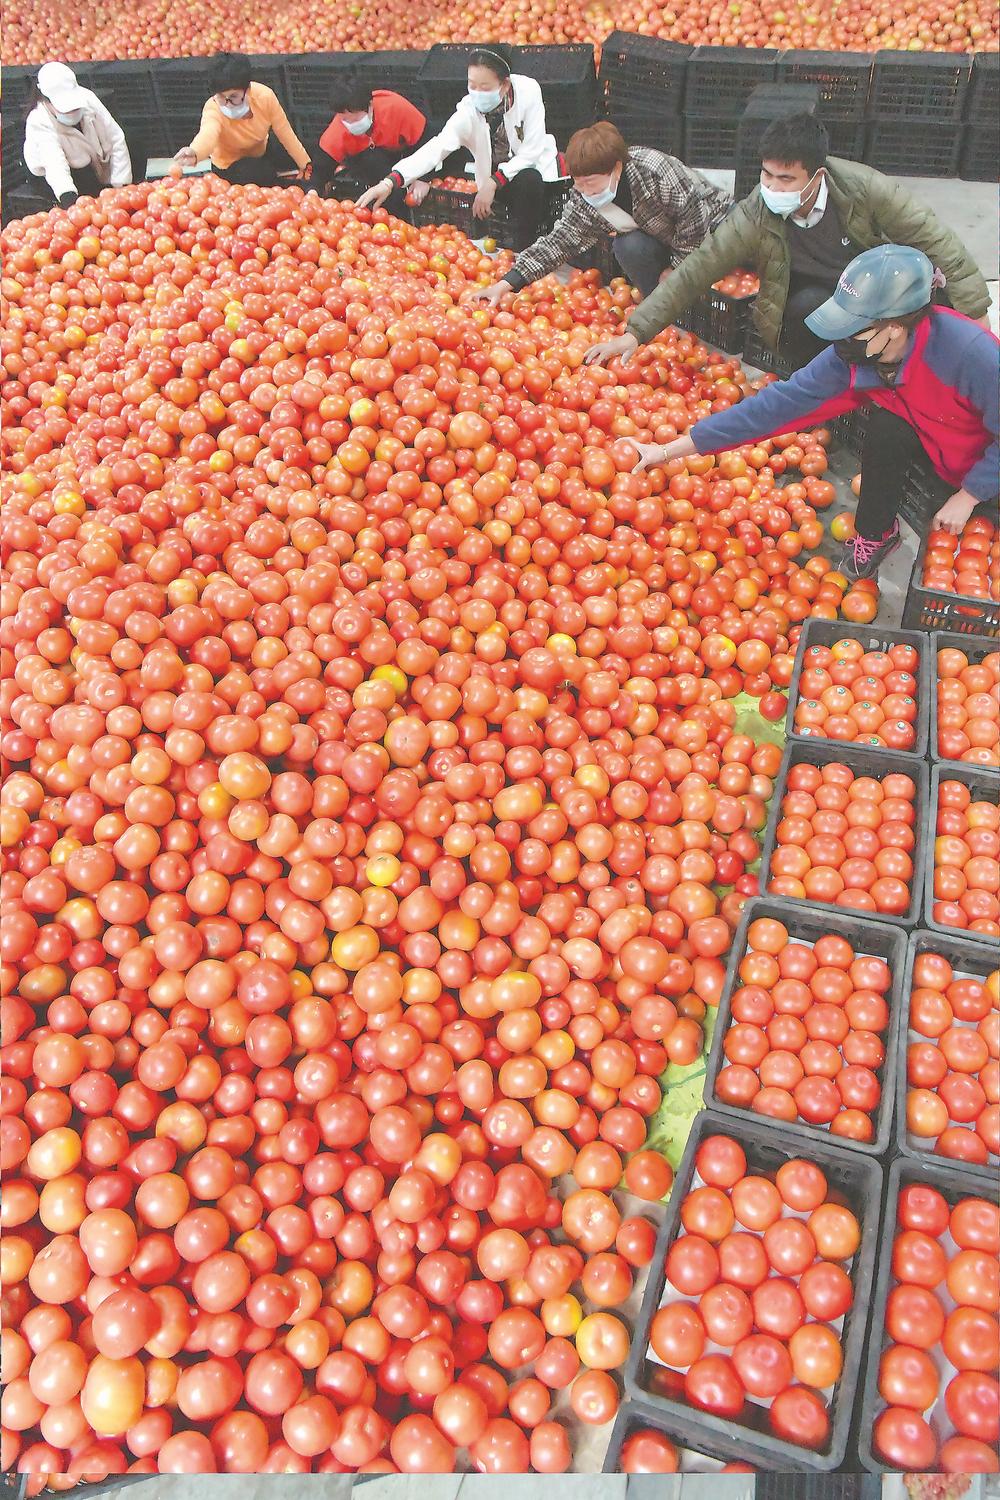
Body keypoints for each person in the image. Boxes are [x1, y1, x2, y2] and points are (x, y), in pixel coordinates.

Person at [627, 246, 999, 585]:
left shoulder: (970, 354)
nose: (842, 341)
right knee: (886, 423)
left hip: (986, 456)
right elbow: (774, 407)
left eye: (854, 330)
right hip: (934, 444)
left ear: (895, 327)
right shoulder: (854, 357)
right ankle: (876, 533)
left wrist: (970, 494)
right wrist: (666, 451)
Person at [584, 113, 992, 371]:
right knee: (799, 313)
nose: (771, 187)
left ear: (817, 177)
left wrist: (977, 317)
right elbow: (697, 269)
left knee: (937, 324)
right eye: (766, 175)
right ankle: (821, 387)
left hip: (872, 284)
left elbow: (938, 243)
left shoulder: (865, 190)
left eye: (785, 180)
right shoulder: (756, 211)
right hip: (817, 293)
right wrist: (636, 331)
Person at [467, 121, 731, 303]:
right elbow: (560, 242)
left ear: (616, 168)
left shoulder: (654, 172)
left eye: (590, 182)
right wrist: (505, 284)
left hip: (716, 225)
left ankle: (677, 300)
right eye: (578, 182)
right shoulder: (586, 198)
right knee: (629, 246)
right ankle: (661, 309)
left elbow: (695, 220)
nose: (584, 190)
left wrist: (676, 268)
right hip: (664, 238)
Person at [356, 46, 560, 248]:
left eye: (485, 87)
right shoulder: (468, 112)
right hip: (490, 179)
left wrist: (494, 181)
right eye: (472, 85)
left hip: (532, 174)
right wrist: (390, 182)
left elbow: (532, 150)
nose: (477, 93)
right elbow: (437, 148)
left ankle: (526, 249)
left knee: (529, 179)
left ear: (505, 85)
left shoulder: (528, 92)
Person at [174, 52, 311, 186]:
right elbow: (208, 133)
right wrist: (195, 152)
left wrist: (305, 164)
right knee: (261, 173)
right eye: (221, 97)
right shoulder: (213, 108)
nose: (227, 103)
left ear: (248, 89)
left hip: (260, 151)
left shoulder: (264, 97)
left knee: (308, 149)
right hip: (229, 167)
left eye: (234, 97)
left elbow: (285, 132)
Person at [23, 63, 132, 206]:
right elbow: (55, 164)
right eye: (66, 110)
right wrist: (69, 198)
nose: (73, 113)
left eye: (75, 107)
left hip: (91, 160)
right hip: (55, 174)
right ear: (47, 101)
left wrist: (120, 185)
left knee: (134, 143)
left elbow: (115, 137)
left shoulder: (88, 98)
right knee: (86, 194)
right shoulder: (39, 121)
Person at [316, 72, 426, 198]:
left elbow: (426, 141)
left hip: (405, 157)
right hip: (370, 170)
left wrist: (423, 177)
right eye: (345, 119)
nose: (351, 123)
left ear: (370, 105)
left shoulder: (395, 108)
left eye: (356, 117)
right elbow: (321, 167)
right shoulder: (337, 130)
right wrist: (313, 191)